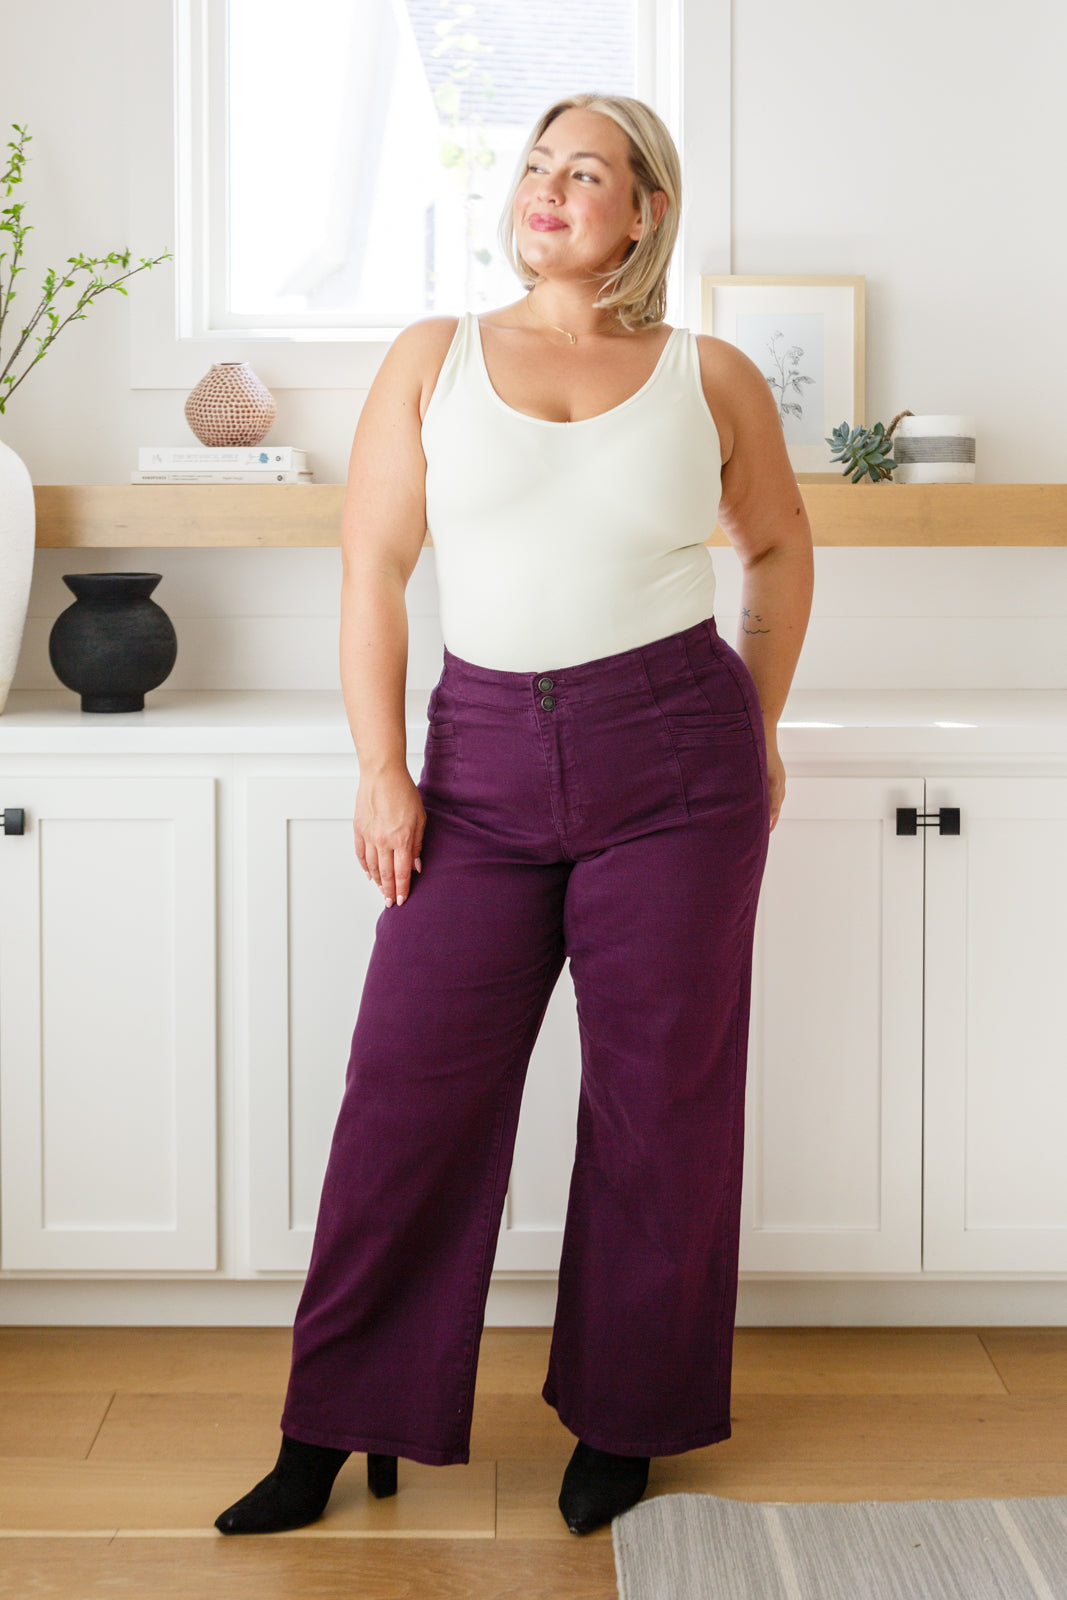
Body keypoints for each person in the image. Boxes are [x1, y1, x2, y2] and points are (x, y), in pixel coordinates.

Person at [215, 91, 813, 1540]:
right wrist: (382, 766)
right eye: (537, 164)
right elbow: (372, 566)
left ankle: (628, 1421)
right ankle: (336, 1421)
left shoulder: (711, 375)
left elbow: (781, 546)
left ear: (646, 209)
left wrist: (758, 722)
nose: (547, 187)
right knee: (406, 1092)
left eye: (585, 171)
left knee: (660, 1104)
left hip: (675, 763)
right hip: (476, 766)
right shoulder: (433, 357)